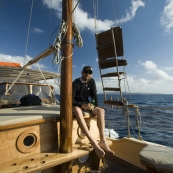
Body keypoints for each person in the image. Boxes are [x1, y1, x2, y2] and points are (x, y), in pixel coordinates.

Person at [72, 66, 114, 158]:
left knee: (101, 111)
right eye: (86, 72)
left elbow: (94, 96)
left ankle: (102, 140)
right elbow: (70, 100)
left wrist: (95, 107)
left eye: (90, 73)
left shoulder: (92, 81)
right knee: (77, 111)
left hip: (86, 105)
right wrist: (82, 105)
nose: (88, 74)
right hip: (76, 105)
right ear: (81, 72)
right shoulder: (75, 83)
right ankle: (93, 142)